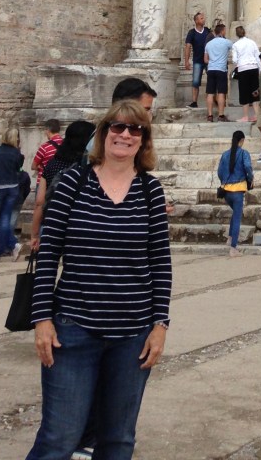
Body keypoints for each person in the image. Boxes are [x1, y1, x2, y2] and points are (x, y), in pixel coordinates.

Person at [26, 100, 171, 460]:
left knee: (118, 439)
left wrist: (160, 324)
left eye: (135, 129)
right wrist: (41, 319)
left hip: (133, 335)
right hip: (74, 328)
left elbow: (160, 262)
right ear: (104, 133)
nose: (125, 134)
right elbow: (49, 253)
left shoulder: (150, 191)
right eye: (117, 127)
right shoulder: (73, 182)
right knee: (59, 437)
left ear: (144, 139)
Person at [29, 119, 95, 252]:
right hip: (82, 225)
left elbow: (40, 202)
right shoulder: (90, 167)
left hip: (52, 222)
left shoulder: (53, 164)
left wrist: (34, 234)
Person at [0, 126, 26, 262]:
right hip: (12, 186)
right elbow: (18, 169)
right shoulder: (17, 154)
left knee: (0, 219)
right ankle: (12, 244)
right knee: (4, 219)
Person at [217, 130, 254, 257]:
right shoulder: (244, 153)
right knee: (238, 217)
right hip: (238, 191)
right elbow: (248, 167)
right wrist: (250, 178)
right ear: (242, 141)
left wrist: (224, 182)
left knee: (235, 212)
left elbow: (219, 172)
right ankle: (233, 248)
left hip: (226, 191)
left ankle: (230, 237)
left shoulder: (225, 154)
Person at [183, 11, 214, 110]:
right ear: (196, 21)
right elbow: (188, 47)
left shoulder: (208, 31)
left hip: (209, 60)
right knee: (195, 81)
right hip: (197, 60)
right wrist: (186, 61)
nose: (203, 20)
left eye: (203, 18)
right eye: (201, 18)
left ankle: (214, 101)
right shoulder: (192, 32)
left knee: (213, 79)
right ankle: (194, 102)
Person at [232, 25, 261, 125]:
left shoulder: (236, 45)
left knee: (244, 92)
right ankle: (257, 115)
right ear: (245, 32)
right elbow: (258, 56)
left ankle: (245, 116)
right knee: (254, 91)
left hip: (243, 69)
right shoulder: (252, 42)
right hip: (253, 68)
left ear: (236, 34)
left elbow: (234, 60)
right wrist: (260, 70)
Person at [204, 23, 233, 123]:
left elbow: (205, 59)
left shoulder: (208, 44)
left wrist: (213, 61)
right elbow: (235, 48)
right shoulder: (226, 42)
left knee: (210, 93)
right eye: (225, 30)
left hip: (211, 69)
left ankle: (210, 116)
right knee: (221, 93)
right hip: (221, 70)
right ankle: (221, 116)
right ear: (222, 31)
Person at [31, 118, 62, 188]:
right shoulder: (66, 145)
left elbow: (33, 166)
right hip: (60, 182)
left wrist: (41, 167)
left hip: (44, 182)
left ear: (48, 130)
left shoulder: (44, 147)